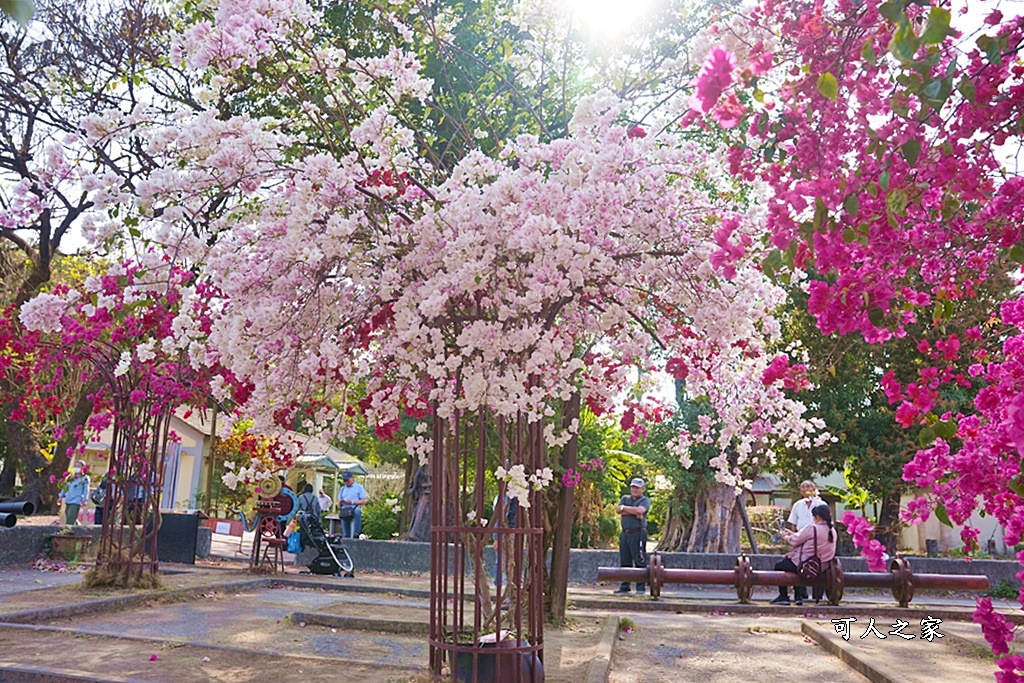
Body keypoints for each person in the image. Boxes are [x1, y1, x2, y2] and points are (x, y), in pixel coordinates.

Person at [771, 503, 836, 605]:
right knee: (794, 565)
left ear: (817, 516)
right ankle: (798, 597)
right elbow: (802, 537)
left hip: (807, 564)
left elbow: (795, 541)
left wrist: (785, 536)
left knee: (780, 565)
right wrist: (791, 534)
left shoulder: (812, 528)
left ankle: (783, 596)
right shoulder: (832, 531)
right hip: (822, 566)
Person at [786, 480, 826, 602]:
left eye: (808, 486)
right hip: (801, 538)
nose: (805, 489)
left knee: (817, 565)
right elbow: (793, 524)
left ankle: (817, 595)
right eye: (803, 487)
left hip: (817, 540)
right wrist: (794, 538)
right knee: (798, 564)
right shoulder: (797, 505)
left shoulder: (821, 504)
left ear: (814, 489)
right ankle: (800, 594)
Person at [613, 478, 650, 595]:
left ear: (642, 489)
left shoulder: (645, 500)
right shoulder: (625, 498)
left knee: (639, 559)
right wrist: (633, 512)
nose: (634, 489)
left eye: (637, 488)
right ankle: (625, 586)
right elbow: (618, 510)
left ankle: (640, 587)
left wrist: (626, 509)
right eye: (633, 487)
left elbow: (641, 510)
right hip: (625, 533)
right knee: (625, 560)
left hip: (638, 533)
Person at [337, 471, 367, 538]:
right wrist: (341, 502)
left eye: (347, 480)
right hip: (345, 508)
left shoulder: (359, 487)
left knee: (357, 512)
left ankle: (356, 532)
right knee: (343, 515)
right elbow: (339, 502)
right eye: (344, 480)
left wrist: (352, 502)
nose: (346, 482)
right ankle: (346, 535)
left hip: (354, 507)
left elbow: (364, 501)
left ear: (352, 478)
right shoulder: (343, 489)